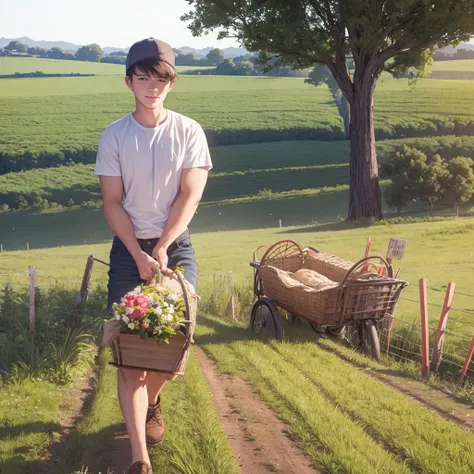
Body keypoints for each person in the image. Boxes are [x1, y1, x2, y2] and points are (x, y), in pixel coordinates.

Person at [94, 37, 212, 474]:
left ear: (171, 83)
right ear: (129, 82)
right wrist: (139, 254)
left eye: (161, 79)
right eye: (143, 78)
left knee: (175, 343)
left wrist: (161, 247)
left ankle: (154, 400)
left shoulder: (189, 132)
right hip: (128, 251)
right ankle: (140, 460)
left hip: (175, 247)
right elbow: (112, 202)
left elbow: (190, 195)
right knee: (129, 353)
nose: (152, 87)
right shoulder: (115, 136)